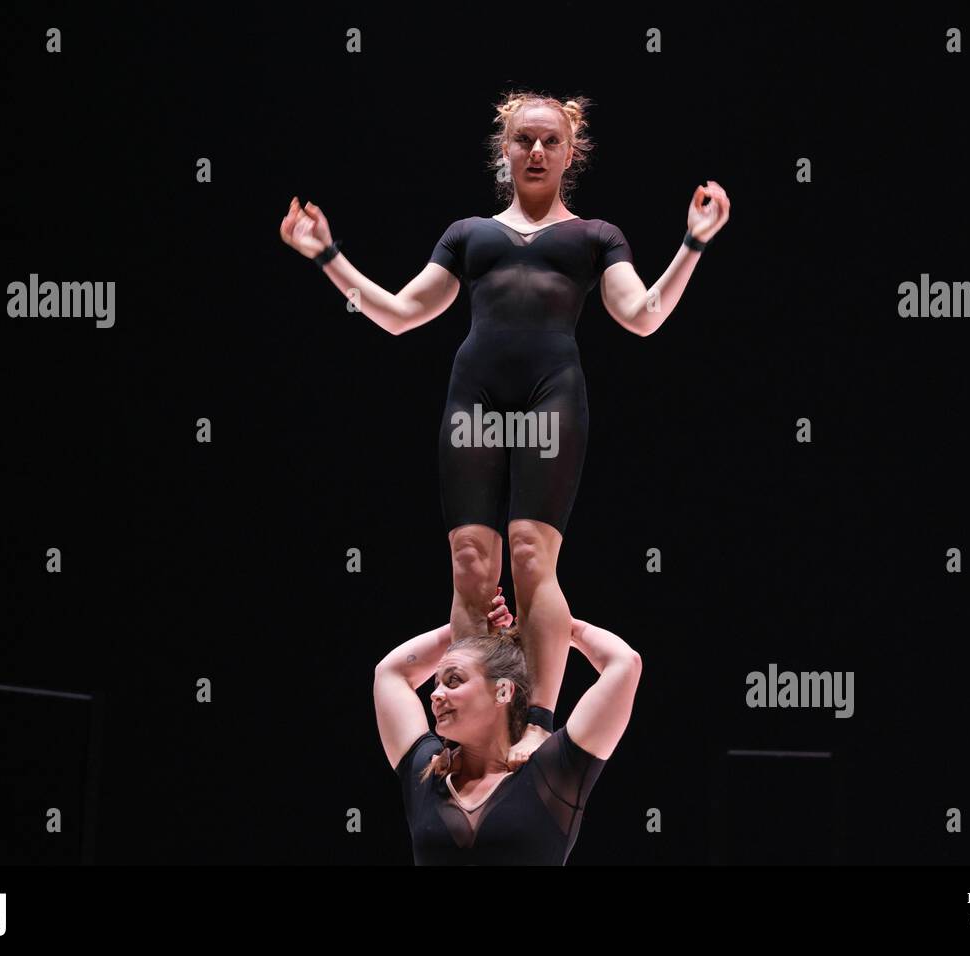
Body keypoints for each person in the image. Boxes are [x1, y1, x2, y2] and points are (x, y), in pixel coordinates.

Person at [285, 90, 726, 765]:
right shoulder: (469, 234)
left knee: (528, 555)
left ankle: (539, 725)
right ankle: (466, 730)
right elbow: (400, 313)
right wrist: (326, 256)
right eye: (524, 140)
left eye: (551, 141)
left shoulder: (595, 237)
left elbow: (642, 314)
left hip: (552, 393)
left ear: (571, 152)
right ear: (505, 150)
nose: (537, 151)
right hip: (476, 396)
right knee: (471, 564)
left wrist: (692, 244)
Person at [373, 588, 642, 864]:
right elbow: (390, 673)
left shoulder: (552, 771)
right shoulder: (426, 773)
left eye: (453, 681)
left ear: (502, 692)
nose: (436, 694)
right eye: (437, 683)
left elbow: (625, 664)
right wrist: (465, 627)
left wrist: (559, 627)